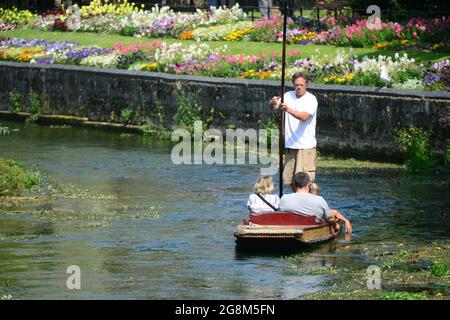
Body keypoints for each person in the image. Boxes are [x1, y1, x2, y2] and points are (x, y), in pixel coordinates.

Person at [270, 72, 318, 183]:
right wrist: (273, 103)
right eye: (296, 85)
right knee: (288, 179)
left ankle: (307, 200)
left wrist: (288, 109)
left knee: (305, 181)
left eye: (301, 85)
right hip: (290, 145)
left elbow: (304, 117)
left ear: (306, 84)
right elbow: (275, 107)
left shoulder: (311, 99)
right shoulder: (288, 95)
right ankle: (296, 199)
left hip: (305, 147)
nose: (299, 87)